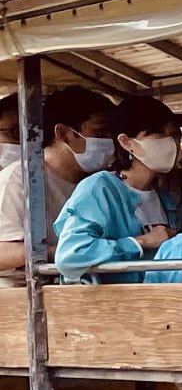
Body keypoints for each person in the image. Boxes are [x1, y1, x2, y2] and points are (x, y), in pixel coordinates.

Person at [54, 92, 182, 282]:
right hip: (114, 306)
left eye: (174, 134)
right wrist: (140, 242)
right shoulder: (100, 189)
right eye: (158, 134)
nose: (170, 142)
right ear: (126, 142)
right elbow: (70, 256)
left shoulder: (167, 200)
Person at [0, 84, 114, 286]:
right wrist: (70, 252)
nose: (109, 141)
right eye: (100, 131)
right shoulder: (20, 178)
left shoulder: (97, 182)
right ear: (62, 133)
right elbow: (4, 253)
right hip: (22, 300)